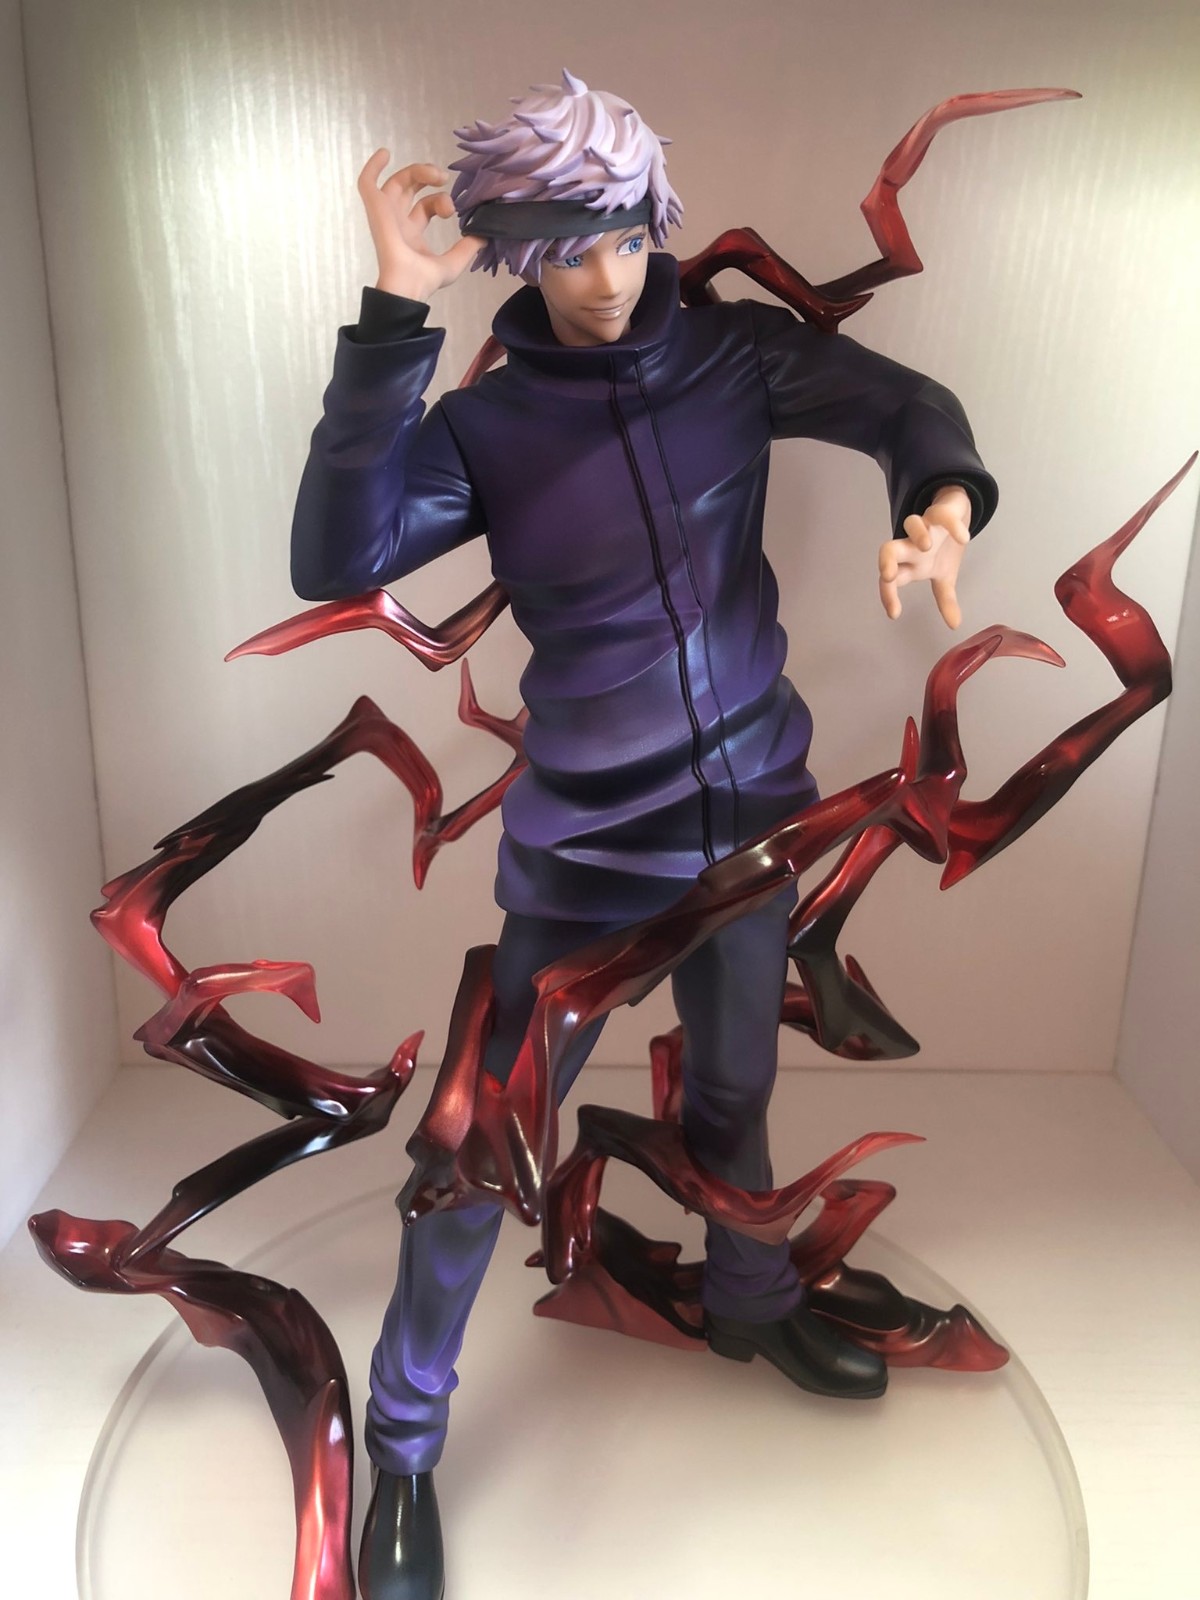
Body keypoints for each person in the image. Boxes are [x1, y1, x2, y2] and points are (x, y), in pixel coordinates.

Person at [291, 69, 997, 1600]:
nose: (604, 279)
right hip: (587, 851)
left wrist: (940, 500)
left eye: (622, 238)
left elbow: (900, 404)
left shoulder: (729, 356)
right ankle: (401, 1449)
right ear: (514, 253)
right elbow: (337, 557)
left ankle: (749, 1298)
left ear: (657, 222)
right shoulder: (488, 427)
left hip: (751, 818)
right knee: (476, 1151)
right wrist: (393, 320)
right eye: (565, 251)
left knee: (736, 1092)